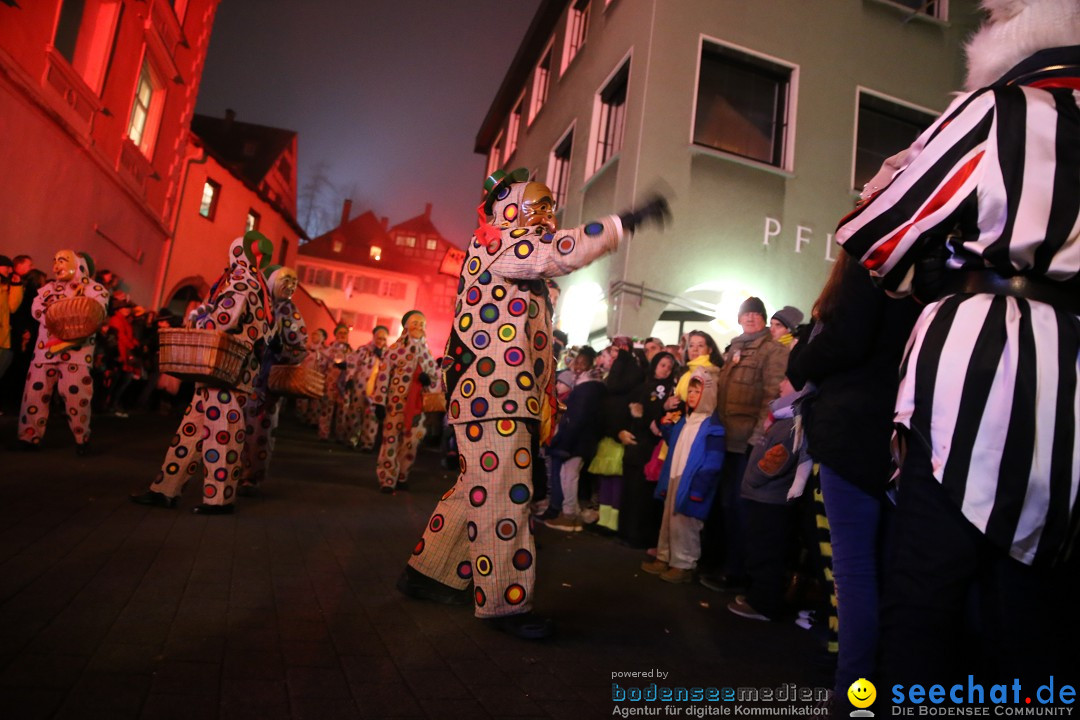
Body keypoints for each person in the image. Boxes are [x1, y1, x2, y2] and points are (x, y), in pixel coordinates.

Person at [834, 0, 1080, 687]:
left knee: (923, 601)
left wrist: (934, 256)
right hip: (1073, 388)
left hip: (978, 362)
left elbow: (879, 239)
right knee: (1032, 618)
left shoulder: (998, 107)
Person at [396, 167, 669, 639]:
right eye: (536, 205)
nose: (546, 214)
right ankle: (504, 604)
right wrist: (620, 223)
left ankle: (428, 574)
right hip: (494, 396)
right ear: (509, 211)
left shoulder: (510, 254)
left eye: (549, 206)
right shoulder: (499, 242)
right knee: (506, 495)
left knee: (475, 489)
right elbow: (556, 252)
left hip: (498, 397)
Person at [785, 252, 919, 706]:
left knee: (853, 573)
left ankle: (852, 699)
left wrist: (801, 354)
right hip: (904, 430)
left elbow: (845, 341)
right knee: (888, 570)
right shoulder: (929, 271)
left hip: (852, 430)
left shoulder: (872, 262)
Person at [131, 232, 274, 514]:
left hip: (226, 371)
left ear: (236, 254)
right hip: (223, 371)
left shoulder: (242, 280)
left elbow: (226, 317)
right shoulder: (258, 285)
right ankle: (165, 489)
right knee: (191, 432)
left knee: (222, 432)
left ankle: (219, 499)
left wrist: (198, 322)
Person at [700, 297, 788, 592]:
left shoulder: (773, 350)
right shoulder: (735, 348)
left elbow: (772, 396)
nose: (750, 318)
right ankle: (725, 563)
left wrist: (758, 439)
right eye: (745, 314)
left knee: (740, 509)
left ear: (763, 319)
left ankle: (738, 573)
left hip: (748, 444)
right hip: (726, 440)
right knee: (725, 506)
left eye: (756, 314)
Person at [18, 250, 109, 454]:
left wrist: (62, 314)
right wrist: (58, 318)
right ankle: (28, 437)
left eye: (62, 261)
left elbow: (94, 313)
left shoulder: (96, 290)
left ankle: (81, 440)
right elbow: (38, 309)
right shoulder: (47, 288)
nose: (56, 266)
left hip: (77, 353)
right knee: (34, 395)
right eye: (55, 261)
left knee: (77, 398)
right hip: (44, 352)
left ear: (79, 265)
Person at [641, 366, 724, 584]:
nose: (692, 396)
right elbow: (674, 443)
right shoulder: (685, 421)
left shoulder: (713, 427)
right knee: (668, 522)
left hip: (692, 484)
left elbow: (712, 464)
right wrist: (666, 427)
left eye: (698, 392)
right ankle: (664, 556)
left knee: (685, 526)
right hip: (675, 478)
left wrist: (698, 489)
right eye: (691, 391)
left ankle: (684, 564)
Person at [730, 376, 801, 620]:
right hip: (762, 496)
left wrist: (751, 479)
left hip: (770, 499)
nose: (780, 383)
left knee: (766, 553)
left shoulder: (793, 421)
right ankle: (757, 596)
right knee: (758, 549)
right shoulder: (783, 416)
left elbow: (776, 461)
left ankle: (763, 604)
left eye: (787, 380)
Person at [240, 265, 307, 493]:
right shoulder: (254, 302)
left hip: (267, 384)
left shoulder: (291, 312)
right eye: (286, 279)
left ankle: (252, 477)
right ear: (270, 281)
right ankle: (231, 472)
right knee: (236, 427)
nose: (291, 285)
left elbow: (300, 346)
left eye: (294, 281)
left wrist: (282, 349)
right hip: (240, 377)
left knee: (260, 431)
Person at [370, 310, 438, 492]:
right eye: (415, 323)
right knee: (390, 441)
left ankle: (402, 475)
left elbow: (435, 378)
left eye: (422, 324)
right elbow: (383, 377)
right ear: (406, 325)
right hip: (395, 405)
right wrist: (379, 402)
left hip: (417, 408)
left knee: (411, 443)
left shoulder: (427, 353)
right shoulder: (393, 351)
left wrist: (428, 381)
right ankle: (387, 479)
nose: (419, 327)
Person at [617, 350, 677, 549]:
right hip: (635, 444)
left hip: (650, 447)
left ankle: (638, 535)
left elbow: (652, 417)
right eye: (663, 365)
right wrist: (622, 429)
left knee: (642, 492)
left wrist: (652, 414)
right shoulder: (643, 386)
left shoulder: (667, 390)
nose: (666, 370)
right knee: (630, 490)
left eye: (669, 367)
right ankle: (627, 532)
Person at [546, 346, 606, 532]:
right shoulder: (589, 385)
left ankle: (570, 516)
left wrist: (565, 439)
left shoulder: (586, 387)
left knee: (569, 476)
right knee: (568, 475)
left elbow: (577, 418)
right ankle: (572, 512)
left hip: (579, 440)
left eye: (582, 363)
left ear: (590, 364)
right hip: (581, 439)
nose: (578, 366)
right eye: (577, 362)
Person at [344, 324, 389, 451]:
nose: (381, 341)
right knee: (355, 414)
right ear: (373, 337)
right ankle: (351, 440)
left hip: (376, 391)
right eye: (378, 338)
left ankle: (367, 444)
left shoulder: (388, 354)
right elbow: (353, 363)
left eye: (384, 339)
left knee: (372, 418)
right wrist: (350, 378)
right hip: (360, 386)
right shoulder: (363, 350)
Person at [318, 324, 352, 442]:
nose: (342, 335)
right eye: (340, 333)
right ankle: (323, 433)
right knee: (327, 408)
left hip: (344, 385)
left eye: (345, 333)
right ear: (336, 335)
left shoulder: (352, 351)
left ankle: (339, 435)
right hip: (330, 383)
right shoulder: (329, 350)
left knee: (342, 410)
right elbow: (322, 366)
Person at [0, 255, 24, 390]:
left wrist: (16, 286)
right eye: (7, 267)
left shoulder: (3, 286)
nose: (10, 271)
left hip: (3, 337)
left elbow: (12, 308)